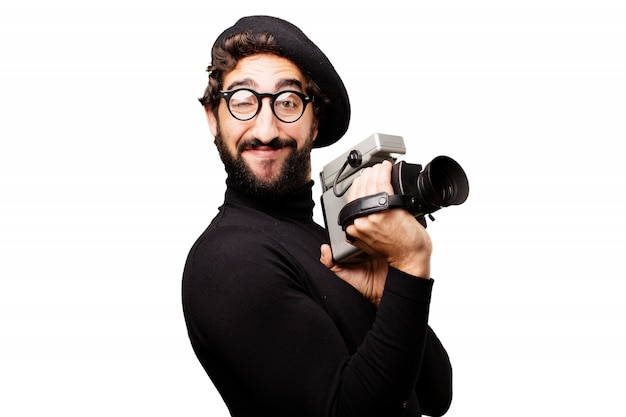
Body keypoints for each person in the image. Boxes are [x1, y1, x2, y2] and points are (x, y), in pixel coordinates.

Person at [182, 15, 453, 417]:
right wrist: (412, 263)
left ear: (315, 121)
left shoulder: (324, 243)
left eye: (288, 102)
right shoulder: (228, 260)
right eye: (242, 101)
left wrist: (389, 292)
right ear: (212, 118)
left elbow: (435, 394)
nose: (266, 128)